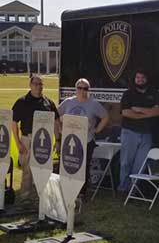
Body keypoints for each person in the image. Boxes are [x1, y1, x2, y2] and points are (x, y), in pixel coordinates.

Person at [12, 74, 61, 204]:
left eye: (41, 84)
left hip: (44, 141)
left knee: (43, 169)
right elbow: (13, 123)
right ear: (30, 85)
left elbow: (56, 122)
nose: (38, 87)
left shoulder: (48, 103)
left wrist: (57, 140)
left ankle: (41, 197)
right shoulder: (22, 101)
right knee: (27, 170)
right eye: (36, 84)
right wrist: (18, 143)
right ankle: (25, 198)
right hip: (27, 139)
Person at [58, 78, 109, 198]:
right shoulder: (68, 102)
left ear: (88, 90)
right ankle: (67, 189)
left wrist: (97, 130)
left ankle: (81, 193)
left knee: (83, 167)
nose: (82, 90)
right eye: (79, 88)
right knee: (68, 164)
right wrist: (60, 128)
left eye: (85, 88)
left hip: (86, 141)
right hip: (69, 140)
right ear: (76, 89)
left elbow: (105, 117)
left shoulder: (93, 104)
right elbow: (56, 114)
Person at [118, 70, 159, 193]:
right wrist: (148, 113)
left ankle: (133, 190)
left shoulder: (155, 94)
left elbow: (158, 112)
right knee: (126, 162)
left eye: (143, 77)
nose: (140, 80)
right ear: (134, 79)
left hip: (146, 134)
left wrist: (138, 110)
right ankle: (123, 188)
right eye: (137, 77)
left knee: (140, 164)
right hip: (129, 132)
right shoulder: (128, 94)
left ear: (147, 79)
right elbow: (126, 112)